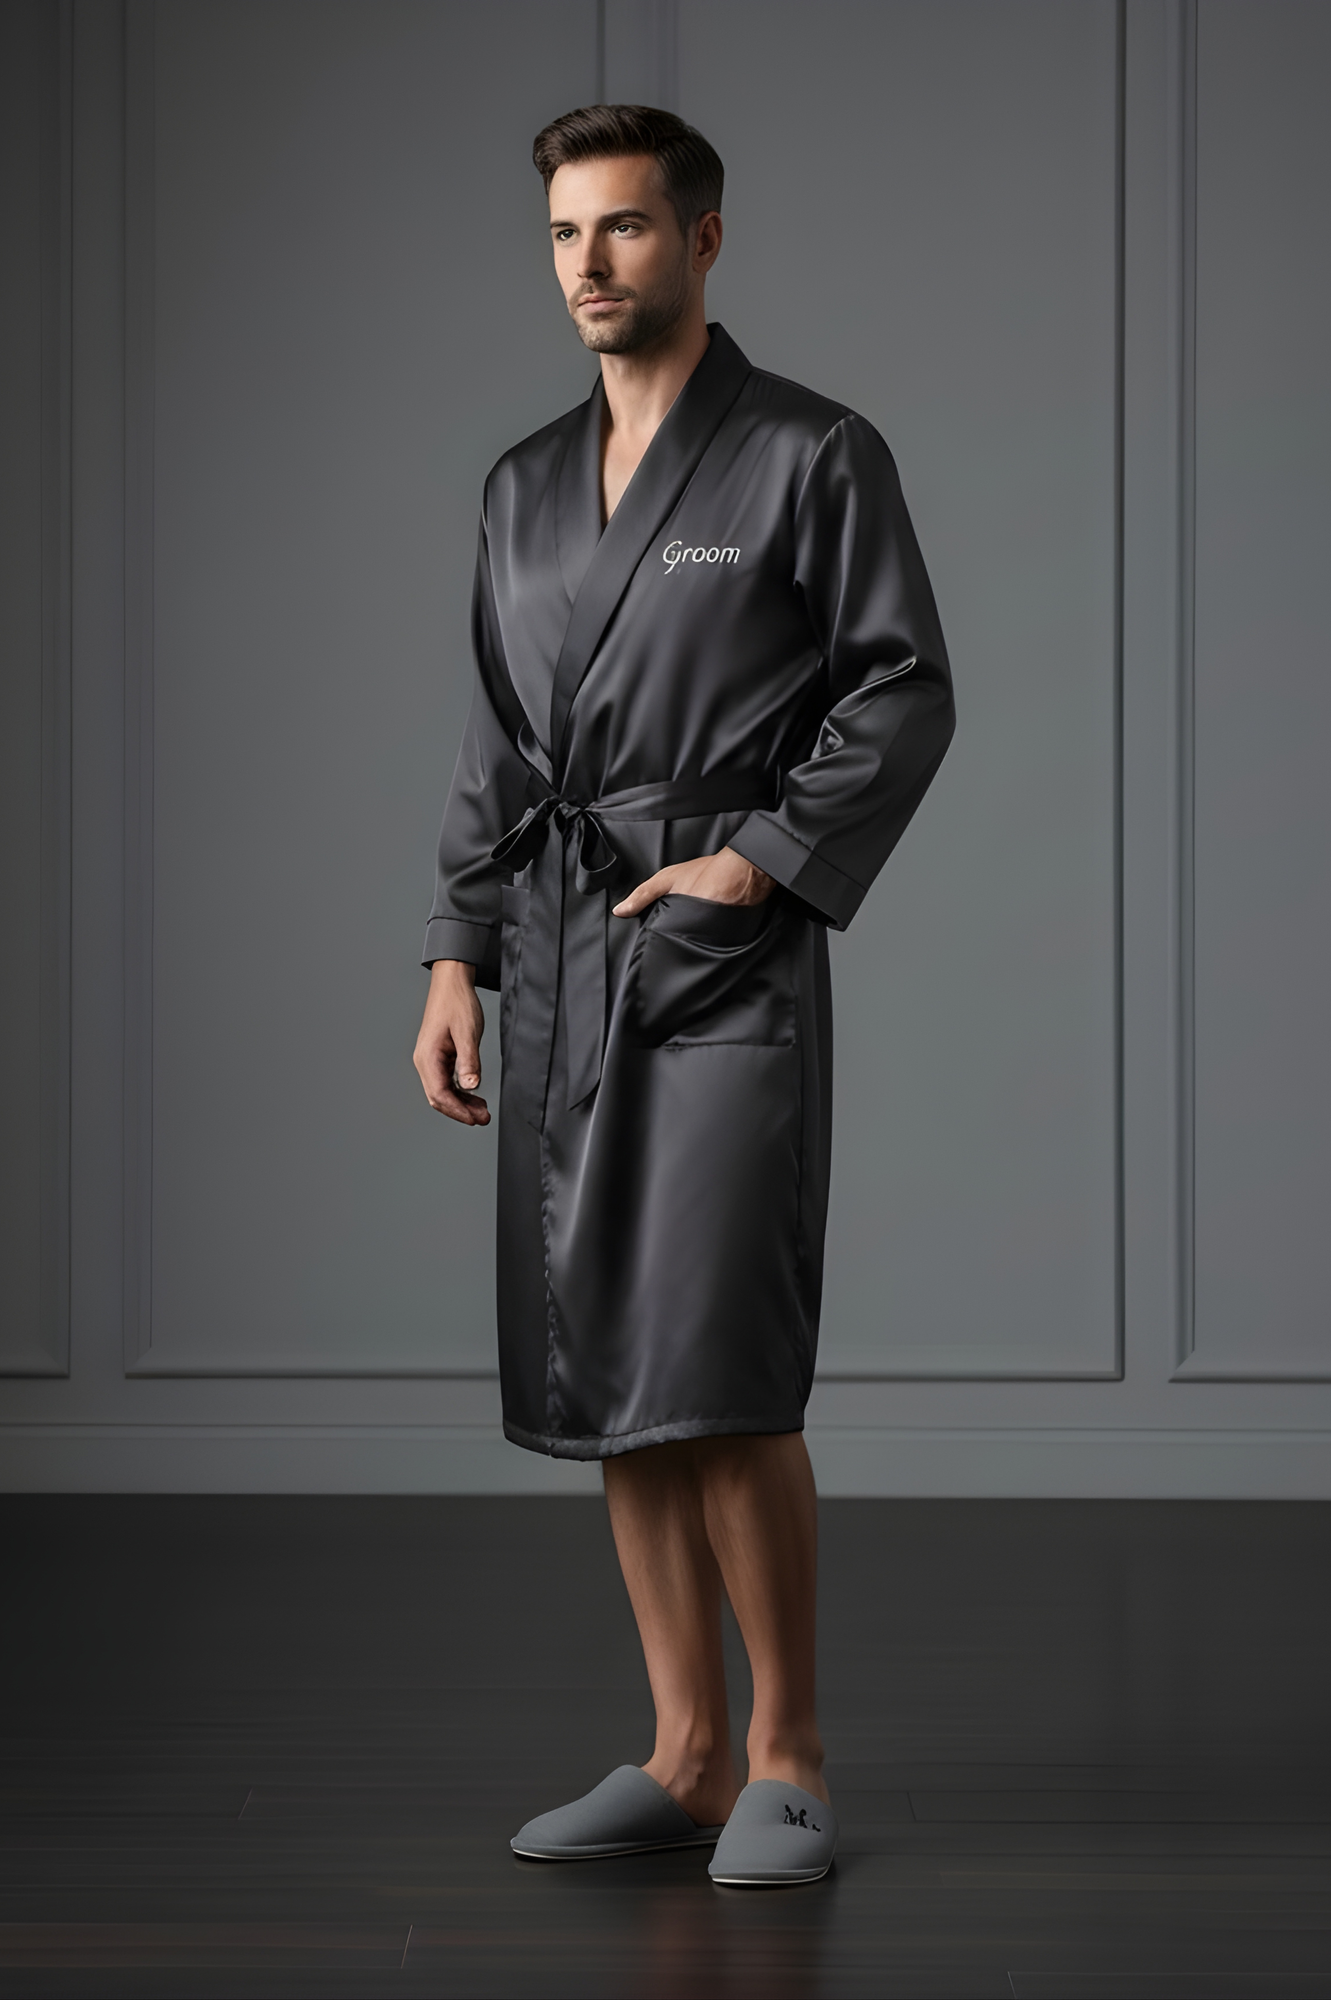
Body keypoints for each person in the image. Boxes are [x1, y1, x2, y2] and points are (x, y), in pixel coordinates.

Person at [413, 104, 953, 1886]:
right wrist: (458, 948)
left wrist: (762, 862)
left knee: (720, 1365)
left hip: (718, 950)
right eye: (566, 233)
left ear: (703, 239)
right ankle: (686, 1749)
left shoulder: (810, 453)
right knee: (608, 1371)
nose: (590, 263)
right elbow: (496, 747)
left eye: (627, 227)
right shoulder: (519, 485)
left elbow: (901, 686)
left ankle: (788, 1753)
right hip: (561, 950)